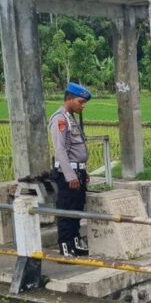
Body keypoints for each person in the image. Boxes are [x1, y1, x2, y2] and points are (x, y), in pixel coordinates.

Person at [49, 82, 92, 257]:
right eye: (80, 102)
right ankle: (65, 249)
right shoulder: (60, 119)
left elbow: (75, 150)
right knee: (66, 212)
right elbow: (60, 150)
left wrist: (83, 171)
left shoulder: (70, 117)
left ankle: (75, 244)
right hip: (67, 175)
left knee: (76, 211)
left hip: (77, 172)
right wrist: (70, 175)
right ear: (69, 99)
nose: (83, 105)